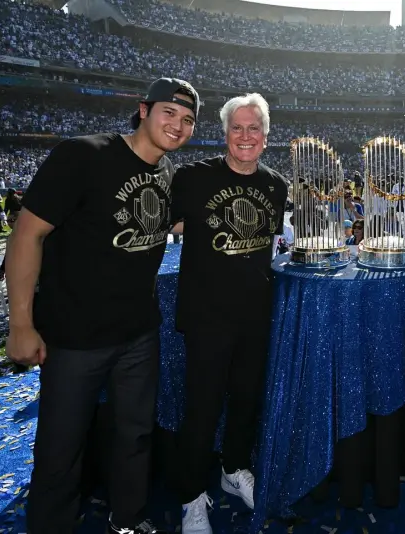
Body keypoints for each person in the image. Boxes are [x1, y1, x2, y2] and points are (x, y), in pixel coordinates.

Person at [5, 77, 199, 534]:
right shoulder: (83, 155)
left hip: (138, 331)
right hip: (75, 335)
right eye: (169, 112)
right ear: (143, 109)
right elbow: (27, 234)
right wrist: (20, 322)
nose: (177, 125)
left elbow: (164, 224)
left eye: (187, 119)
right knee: (60, 447)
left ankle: (127, 519)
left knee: (134, 435)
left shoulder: (166, 172)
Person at [171, 93, 286, 534]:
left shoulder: (276, 185)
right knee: (201, 410)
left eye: (253, 127)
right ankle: (191, 496)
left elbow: (272, 246)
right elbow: (169, 224)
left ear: (266, 135)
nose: (245, 136)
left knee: (246, 402)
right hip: (207, 316)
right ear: (224, 134)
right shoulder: (192, 177)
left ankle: (234, 468)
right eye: (236, 128)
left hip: (256, 315)